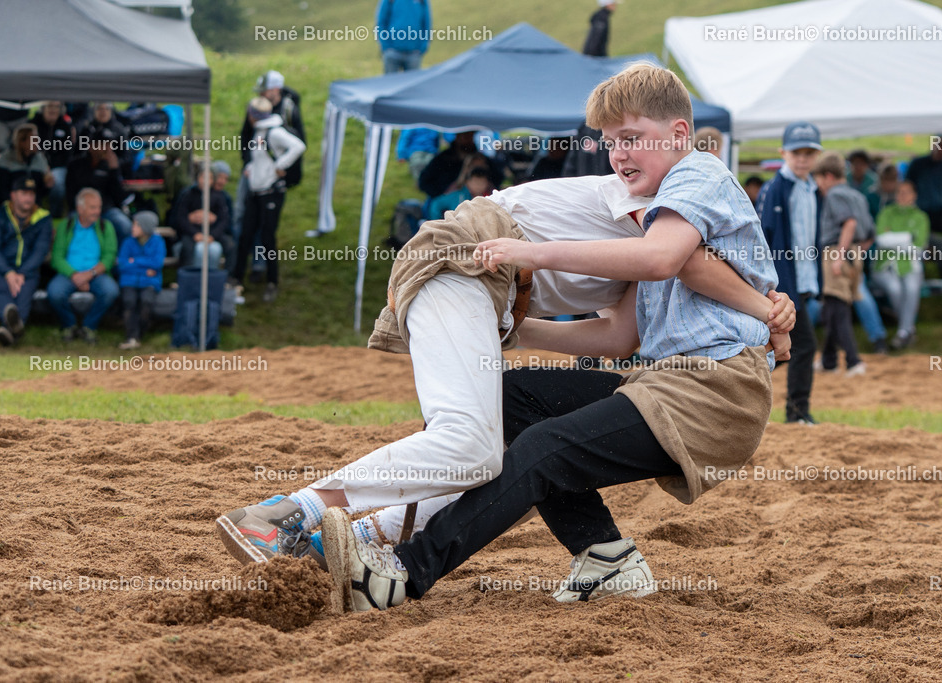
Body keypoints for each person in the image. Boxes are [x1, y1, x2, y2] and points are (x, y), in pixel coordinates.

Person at [316, 62, 787, 612]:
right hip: (665, 382)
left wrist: (534, 253)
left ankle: (401, 574)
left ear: (679, 133)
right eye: (610, 143)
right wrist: (512, 330)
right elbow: (618, 337)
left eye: (631, 138)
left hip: (715, 391)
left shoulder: (698, 174)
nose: (618, 155)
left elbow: (660, 260)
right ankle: (606, 558)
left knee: (544, 448)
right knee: (509, 397)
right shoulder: (657, 217)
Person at [216, 165, 795, 574]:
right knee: (470, 442)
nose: (621, 152)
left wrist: (518, 330)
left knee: (501, 420)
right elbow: (679, 258)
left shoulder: (652, 236)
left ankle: (361, 536)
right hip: (465, 261)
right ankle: (288, 513)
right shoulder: (657, 191)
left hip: (476, 283)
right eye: (614, 140)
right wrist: (767, 309)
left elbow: (619, 336)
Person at [757, 121, 823, 424]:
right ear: (783, 152)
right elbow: (763, 238)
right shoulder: (775, 189)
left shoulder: (812, 190)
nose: (802, 159)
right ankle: (797, 413)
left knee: (785, 348)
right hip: (783, 284)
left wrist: (815, 280)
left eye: (809, 153)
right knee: (804, 345)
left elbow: (811, 238)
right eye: (797, 152)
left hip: (803, 279)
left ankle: (744, 378)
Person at [230, 97, 305, 303]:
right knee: (245, 235)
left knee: (267, 238)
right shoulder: (260, 131)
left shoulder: (274, 132)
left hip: (271, 193)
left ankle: (272, 282)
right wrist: (250, 169)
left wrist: (280, 165)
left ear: (253, 115)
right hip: (256, 192)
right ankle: (236, 277)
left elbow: (298, 146)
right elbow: (258, 157)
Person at [812, 152, 874, 376]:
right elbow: (870, 233)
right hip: (855, 252)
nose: (819, 186)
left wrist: (839, 257)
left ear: (828, 176)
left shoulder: (834, 194)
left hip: (837, 251)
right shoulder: (857, 195)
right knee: (833, 307)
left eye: (819, 180)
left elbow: (849, 223)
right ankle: (828, 361)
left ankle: (853, 361)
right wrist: (855, 255)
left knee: (838, 309)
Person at [47, 188, 120, 344]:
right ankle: (69, 325)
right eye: (93, 207)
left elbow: (109, 257)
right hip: (70, 274)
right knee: (54, 292)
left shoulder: (106, 226)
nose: (97, 211)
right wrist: (75, 276)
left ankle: (89, 326)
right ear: (80, 209)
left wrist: (89, 275)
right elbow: (57, 258)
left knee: (111, 291)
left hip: (96, 274)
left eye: (99, 207)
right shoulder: (66, 226)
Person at [872, 180, 929, 350]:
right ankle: (909, 328)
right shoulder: (887, 212)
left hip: (910, 265)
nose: (903, 196)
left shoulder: (920, 217)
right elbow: (881, 240)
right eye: (900, 192)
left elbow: (918, 248)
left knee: (911, 288)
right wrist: (907, 237)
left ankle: (903, 332)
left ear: (914, 195)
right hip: (884, 265)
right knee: (895, 288)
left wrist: (893, 238)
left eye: (907, 192)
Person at [0, 177, 52, 347]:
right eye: (24, 193)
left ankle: (9, 330)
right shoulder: (1, 214)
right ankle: (14, 329)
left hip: (28, 272)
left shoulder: (43, 218)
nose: (28, 198)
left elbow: (40, 251)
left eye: (31, 194)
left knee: (23, 295)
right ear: (13, 195)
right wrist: (8, 272)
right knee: (2, 290)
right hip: (2, 269)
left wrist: (21, 273)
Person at [906, 134, 942, 279]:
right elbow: (906, 190)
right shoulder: (918, 165)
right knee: (922, 232)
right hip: (921, 213)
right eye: (939, 144)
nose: (940, 149)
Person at [65, 130, 132, 242]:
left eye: (108, 145)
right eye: (101, 144)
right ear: (91, 146)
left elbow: (120, 198)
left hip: (105, 210)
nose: (106, 148)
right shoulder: (76, 165)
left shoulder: (112, 165)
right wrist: (84, 209)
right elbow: (70, 194)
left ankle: (118, 253)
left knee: (125, 227)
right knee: (68, 227)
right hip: (81, 210)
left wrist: (114, 171)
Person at [117, 211, 165, 350]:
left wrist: (135, 261)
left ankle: (139, 335)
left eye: (136, 225)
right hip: (129, 281)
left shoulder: (158, 242)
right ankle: (131, 337)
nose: (132, 228)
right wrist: (145, 268)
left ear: (145, 227)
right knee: (129, 302)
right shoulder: (128, 242)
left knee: (146, 302)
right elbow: (123, 264)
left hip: (150, 282)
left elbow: (157, 263)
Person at [171, 168, 234, 270]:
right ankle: (187, 275)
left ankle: (228, 276)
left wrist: (212, 234)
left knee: (230, 245)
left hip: (212, 232)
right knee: (187, 249)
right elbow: (180, 218)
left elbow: (224, 220)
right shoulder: (188, 194)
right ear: (198, 178)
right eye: (203, 177)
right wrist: (194, 232)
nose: (206, 181)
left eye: (209, 178)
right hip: (191, 232)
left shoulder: (219, 196)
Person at [418, 132, 503, 202]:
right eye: (464, 135)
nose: (467, 138)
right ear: (457, 136)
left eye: (470, 135)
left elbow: (497, 178)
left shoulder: (481, 159)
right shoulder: (442, 160)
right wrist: (444, 194)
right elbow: (425, 182)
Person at [29, 102, 75, 217]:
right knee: (31, 180)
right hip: (35, 163)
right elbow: (28, 149)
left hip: (57, 166)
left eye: (56, 107)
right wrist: (43, 166)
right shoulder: (33, 124)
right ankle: (33, 213)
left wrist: (50, 167)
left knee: (57, 184)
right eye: (50, 106)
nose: (53, 110)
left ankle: (55, 215)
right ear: (43, 108)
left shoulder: (65, 126)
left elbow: (67, 153)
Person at [0, 124, 54, 204]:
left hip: (33, 205)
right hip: (9, 204)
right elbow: (2, 189)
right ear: (22, 142)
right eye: (34, 139)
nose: (37, 142)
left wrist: (48, 185)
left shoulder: (40, 159)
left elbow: (41, 191)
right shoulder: (6, 159)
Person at [376, 0, 431, 73]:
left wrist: (422, 47)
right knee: (390, 80)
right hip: (392, 52)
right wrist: (386, 46)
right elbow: (381, 22)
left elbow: (426, 24)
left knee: (413, 80)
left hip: (414, 53)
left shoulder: (422, 1)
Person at [425, 166, 492, 220]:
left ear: (487, 184)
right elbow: (436, 203)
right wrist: (438, 222)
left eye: (482, 183)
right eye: (476, 182)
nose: (478, 186)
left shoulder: (489, 198)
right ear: (468, 182)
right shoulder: (457, 195)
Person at [846, 149, 880, 218]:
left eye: (861, 164)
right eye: (855, 164)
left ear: (867, 165)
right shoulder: (845, 179)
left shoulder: (874, 180)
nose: (858, 167)